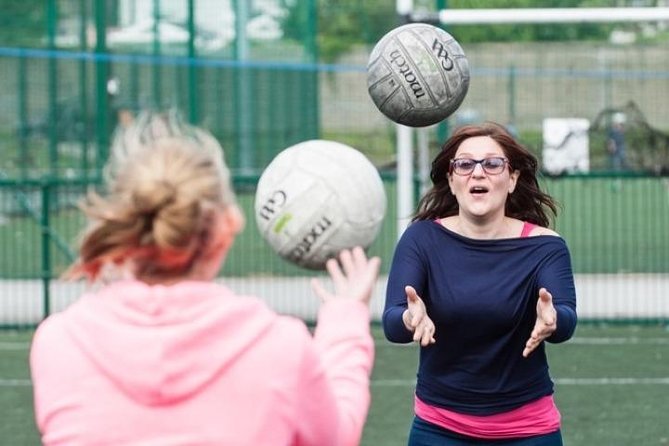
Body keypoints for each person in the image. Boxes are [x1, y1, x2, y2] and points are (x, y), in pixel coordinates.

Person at [30, 110, 381, 446]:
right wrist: (345, 320)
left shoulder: (58, 343)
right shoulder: (281, 348)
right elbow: (335, 437)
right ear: (228, 227)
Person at [383, 122, 577, 445]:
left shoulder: (545, 247)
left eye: (492, 163)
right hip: (439, 428)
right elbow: (393, 321)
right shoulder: (421, 239)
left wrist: (554, 320)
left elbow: (566, 319)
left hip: (527, 430)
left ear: (512, 178)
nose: (478, 172)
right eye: (464, 164)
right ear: (451, 178)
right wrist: (409, 318)